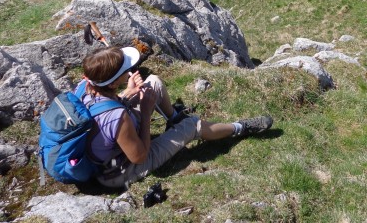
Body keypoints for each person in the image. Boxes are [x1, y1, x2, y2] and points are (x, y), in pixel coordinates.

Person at [76, 45, 273, 189]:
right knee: (191, 126)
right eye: (124, 70)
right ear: (111, 83)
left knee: (153, 82)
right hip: (118, 171)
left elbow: (104, 106)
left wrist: (128, 92)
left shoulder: (85, 88)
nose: (129, 71)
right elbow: (139, 156)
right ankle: (240, 128)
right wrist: (145, 114)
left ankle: (174, 119)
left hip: (109, 147)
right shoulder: (117, 117)